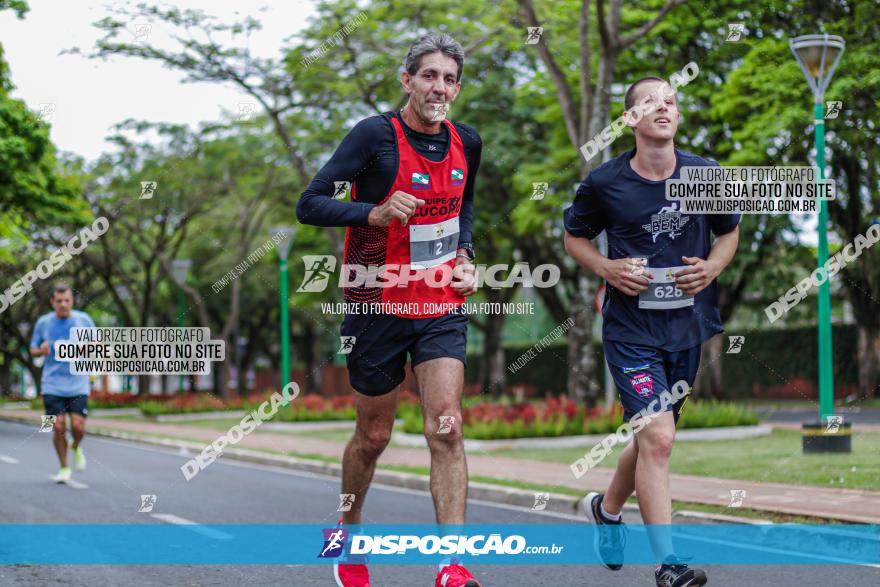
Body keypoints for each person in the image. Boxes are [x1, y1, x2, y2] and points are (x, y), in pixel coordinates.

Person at [297, 34, 482, 587]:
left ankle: (452, 564)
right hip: (376, 302)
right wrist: (372, 213)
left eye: (450, 79)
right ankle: (348, 530)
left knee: (446, 428)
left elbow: (464, 205)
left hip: (440, 303)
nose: (440, 88)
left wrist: (466, 256)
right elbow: (310, 204)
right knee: (373, 437)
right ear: (407, 81)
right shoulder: (373, 136)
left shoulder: (467, 141)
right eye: (429, 76)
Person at [563, 76, 740, 587]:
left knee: (648, 442)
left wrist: (710, 268)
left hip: (687, 328)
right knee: (658, 437)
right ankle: (669, 565)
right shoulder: (605, 182)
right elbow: (575, 238)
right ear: (630, 119)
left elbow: (728, 232)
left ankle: (607, 509)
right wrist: (608, 269)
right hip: (630, 331)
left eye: (671, 101)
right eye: (650, 101)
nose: (663, 106)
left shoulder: (706, 174)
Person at [29, 284, 96, 484]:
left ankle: (75, 446)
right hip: (51, 384)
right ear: (52, 302)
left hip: (78, 382)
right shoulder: (43, 323)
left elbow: (98, 345)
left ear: (72, 301)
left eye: (67, 300)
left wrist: (89, 346)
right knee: (57, 426)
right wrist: (41, 350)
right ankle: (64, 467)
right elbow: (32, 349)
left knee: (79, 428)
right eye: (59, 301)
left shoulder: (84, 320)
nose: (63, 304)